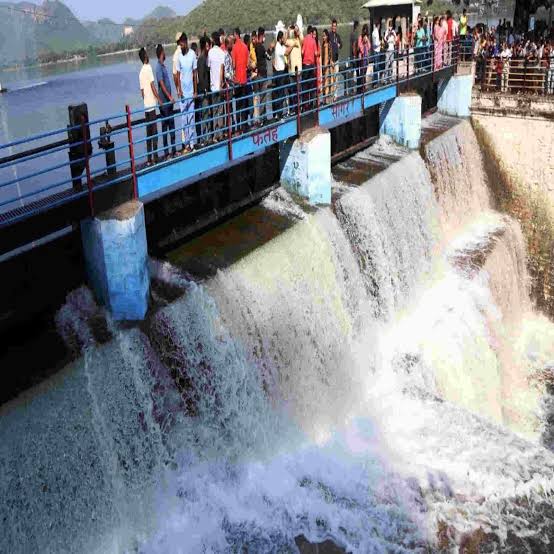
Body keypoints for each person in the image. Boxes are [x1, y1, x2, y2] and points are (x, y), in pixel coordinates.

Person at [138, 48, 160, 166]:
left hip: (146, 107)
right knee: (155, 132)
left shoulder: (141, 72)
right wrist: (158, 99)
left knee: (148, 134)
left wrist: (147, 99)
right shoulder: (148, 68)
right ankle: (156, 157)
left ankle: (149, 158)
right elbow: (152, 85)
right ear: (145, 57)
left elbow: (142, 92)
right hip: (152, 106)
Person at [155, 44, 177, 160]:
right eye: (164, 52)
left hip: (169, 102)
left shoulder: (163, 66)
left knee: (172, 126)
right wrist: (169, 97)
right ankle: (167, 153)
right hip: (164, 103)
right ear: (161, 53)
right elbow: (161, 84)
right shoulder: (158, 67)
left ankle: (173, 151)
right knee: (165, 127)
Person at [177, 33, 198, 153]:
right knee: (184, 120)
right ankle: (186, 145)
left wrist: (195, 90)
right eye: (179, 44)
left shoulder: (192, 55)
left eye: (181, 44)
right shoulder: (179, 57)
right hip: (183, 95)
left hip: (191, 93)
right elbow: (178, 75)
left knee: (191, 119)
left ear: (185, 42)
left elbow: (195, 73)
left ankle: (192, 143)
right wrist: (179, 90)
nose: (180, 46)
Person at [207, 32, 226, 142]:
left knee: (214, 111)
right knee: (220, 110)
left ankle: (215, 136)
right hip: (220, 86)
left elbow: (209, 66)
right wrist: (221, 83)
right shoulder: (222, 53)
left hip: (213, 87)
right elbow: (222, 70)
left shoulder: (210, 52)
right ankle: (221, 133)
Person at [232, 29, 249, 131]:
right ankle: (244, 125)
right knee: (244, 104)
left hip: (237, 81)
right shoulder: (245, 47)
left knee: (237, 105)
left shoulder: (234, 48)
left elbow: (233, 65)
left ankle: (238, 126)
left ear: (235, 35)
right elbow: (247, 64)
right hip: (244, 79)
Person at [197, 36, 211, 144]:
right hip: (204, 92)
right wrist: (205, 89)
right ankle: (205, 138)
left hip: (207, 90)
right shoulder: (201, 59)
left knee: (207, 113)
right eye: (206, 46)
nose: (208, 48)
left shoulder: (205, 58)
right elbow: (201, 77)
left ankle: (208, 136)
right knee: (205, 113)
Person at [254, 27, 270, 124]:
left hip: (258, 74)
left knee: (259, 97)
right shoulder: (261, 47)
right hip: (262, 75)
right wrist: (270, 49)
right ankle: (261, 119)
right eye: (264, 36)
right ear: (262, 35)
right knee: (263, 97)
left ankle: (259, 118)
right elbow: (268, 57)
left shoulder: (256, 47)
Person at [285, 24, 303, 113]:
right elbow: (284, 40)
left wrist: (297, 29)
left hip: (298, 70)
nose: (294, 32)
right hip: (291, 71)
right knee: (292, 91)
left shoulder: (299, 41)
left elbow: (302, 39)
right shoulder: (290, 41)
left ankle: (299, 107)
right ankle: (293, 109)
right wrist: (288, 31)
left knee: (299, 90)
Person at [272, 30, 288, 118]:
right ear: (280, 38)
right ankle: (279, 113)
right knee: (280, 93)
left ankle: (279, 113)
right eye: (283, 38)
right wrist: (292, 45)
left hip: (279, 72)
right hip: (279, 73)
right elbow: (286, 52)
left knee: (280, 93)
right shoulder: (278, 47)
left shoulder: (279, 46)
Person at [302, 25, 317, 111]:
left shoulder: (304, 39)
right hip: (311, 65)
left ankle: (305, 105)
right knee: (311, 85)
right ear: (311, 32)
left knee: (304, 86)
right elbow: (315, 53)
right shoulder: (313, 40)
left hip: (305, 65)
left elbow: (302, 51)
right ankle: (311, 103)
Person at [329, 19, 342, 99]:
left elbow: (341, 44)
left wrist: (339, 45)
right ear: (331, 26)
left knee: (336, 77)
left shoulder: (337, 36)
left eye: (335, 26)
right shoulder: (329, 35)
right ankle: (330, 94)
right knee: (331, 77)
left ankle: (335, 95)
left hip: (336, 59)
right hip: (331, 60)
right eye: (333, 26)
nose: (334, 27)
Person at [357, 23, 371, 92]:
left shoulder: (367, 38)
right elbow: (359, 46)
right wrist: (363, 42)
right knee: (361, 72)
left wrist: (367, 41)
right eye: (364, 30)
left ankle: (364, 86)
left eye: (366, 30)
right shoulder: (360, 37)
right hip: (362, 57)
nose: (365, 31)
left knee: (364, 72)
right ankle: (361, 88)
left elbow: (369, 47)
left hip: (366, 57)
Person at [321, 29, 332, 103]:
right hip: (323, 66)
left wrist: (328, 64)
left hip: (327, 66)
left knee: (327, 82)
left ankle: (327, 100)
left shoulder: (329, 44)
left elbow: (330, 56)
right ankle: (325, 99)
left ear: (327, 36)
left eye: (324, 36)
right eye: (323, 36)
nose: (323, 37)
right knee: (324, 83)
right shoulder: (323, 45)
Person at [349, 21, 360, 95]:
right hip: (354, 56)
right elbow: (353, 45)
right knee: (356, 71)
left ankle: (352, 89)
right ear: (357, 26)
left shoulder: (351, 34)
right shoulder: (355, 34)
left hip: (351, 55)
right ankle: (357, 88)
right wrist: (355, 55)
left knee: (352, 72)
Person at [372, 21, 382, 86]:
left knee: (376, 66)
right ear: (378, 25)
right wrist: (380, 42)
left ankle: (375, 81)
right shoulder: (375, 32)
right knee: (376, 66)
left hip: (376, 50)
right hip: (376, 51)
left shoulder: (374, 32)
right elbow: (375, 43)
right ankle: (375, 82)